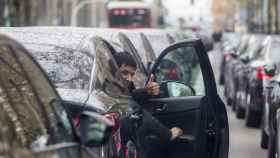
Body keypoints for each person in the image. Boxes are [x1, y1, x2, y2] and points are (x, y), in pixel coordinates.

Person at [113, 52, 183, 158]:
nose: (129, 78)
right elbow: (134, 108)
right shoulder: (107, 91)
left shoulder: (125, 86)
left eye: (132, 74)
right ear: (113, 70)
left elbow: (132, 96)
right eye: (124, 73)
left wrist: (147, 91)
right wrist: (168, 134)